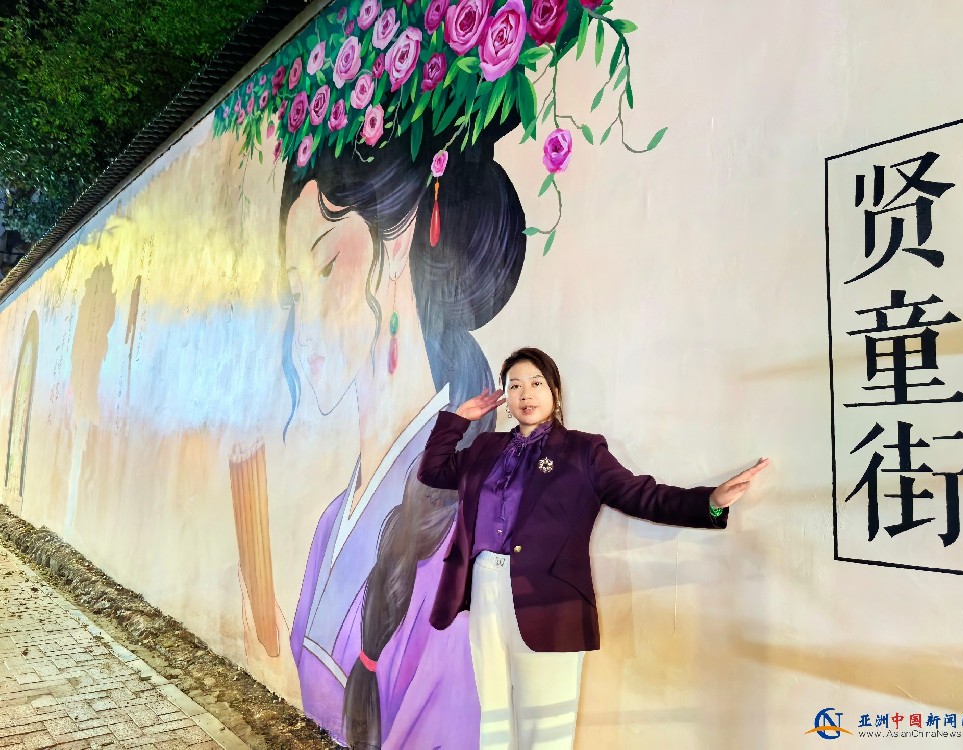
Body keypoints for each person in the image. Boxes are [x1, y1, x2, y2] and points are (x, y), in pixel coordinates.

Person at [279, 125, 528, 749]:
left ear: (399, 241)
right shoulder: (333, 523)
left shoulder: (457, 525)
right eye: (292, 288)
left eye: (323, 266)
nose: (299, 323)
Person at [418, 347, 769, 750]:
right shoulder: (486, 449)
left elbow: (640, 495)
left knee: (546, 724)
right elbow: (432, 471)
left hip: (549, 598)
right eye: (514, 386)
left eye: (536, 383)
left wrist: (709, 502)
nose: (525, 394)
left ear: (555, 392)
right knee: (494, 715)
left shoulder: (582, 451)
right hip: (485, 587)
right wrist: (458, 420)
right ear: (507, 398)